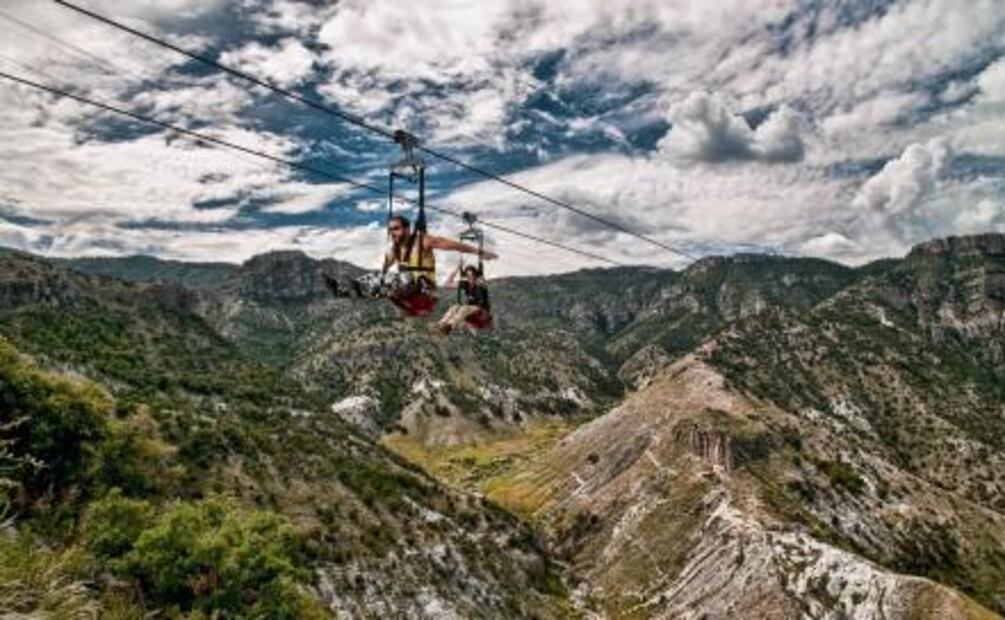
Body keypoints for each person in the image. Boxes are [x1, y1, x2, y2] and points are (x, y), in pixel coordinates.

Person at [324, 215, 496, 316]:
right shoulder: (395, 248)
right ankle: (343, 291)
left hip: (423, 289)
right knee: (376, 277)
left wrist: (479, 252)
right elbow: (387, 264)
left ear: (406, 229)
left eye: (396, 229)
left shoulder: (422, 241)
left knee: (401, 277)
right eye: (390, 229)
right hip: (407, 289)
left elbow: (451, 245)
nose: (393, 232)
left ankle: (364, 289)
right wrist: (382, 273)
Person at [434, 264, 491, 335]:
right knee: (454, 307)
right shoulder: (466, 284)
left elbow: (482, 279)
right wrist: (457, 268)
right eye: (468, 276)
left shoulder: (480, 283)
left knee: (464, 308)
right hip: (470, 309)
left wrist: (480, 262)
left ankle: (449, 325)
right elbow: (447, 284)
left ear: (475, 275)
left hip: (481, 310)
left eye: (472, 275)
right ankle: (441, 323)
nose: (470, 278)